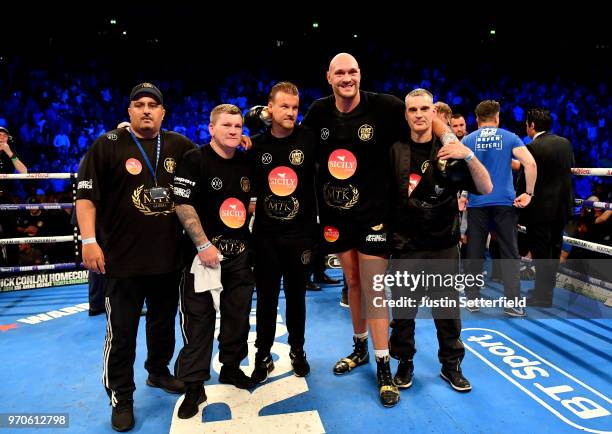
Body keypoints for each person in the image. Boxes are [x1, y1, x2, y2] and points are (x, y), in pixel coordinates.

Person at [301, 52, 458, 407]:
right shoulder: (319, 111)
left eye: (352, 71)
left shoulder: (385, 107)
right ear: (329, 77)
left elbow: (426, 117)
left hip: (374, 215)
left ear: (360, 74)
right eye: (340, 72)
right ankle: (359, 349)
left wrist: (448, 137)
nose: (347, 77)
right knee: (352, 282)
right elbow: (298, 145)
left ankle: (384, 365)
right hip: (336, 215)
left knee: (373, 288)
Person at [76, 83, 195, 432]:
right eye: (139, 104)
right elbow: (86, 198)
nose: (146, 110)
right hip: (122, 261)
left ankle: (158, 372)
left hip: (168, 258)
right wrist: (88, 240)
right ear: (129, 111)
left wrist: (241, 142)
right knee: (122, 333)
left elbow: (211, 160)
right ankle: (121, 396)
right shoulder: (107, 145)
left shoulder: (179, 145)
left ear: (163, 112)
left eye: (152, 105)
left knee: (163, 322)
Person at [389, 88, 492, 393]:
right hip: (406, 243)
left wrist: (468, 153)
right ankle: (404, 362)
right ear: (406, 114)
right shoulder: (394, 149)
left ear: (434, 114)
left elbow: (485, 187)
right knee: (403, 310)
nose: (419, 115)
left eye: (425, 109)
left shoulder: (449, 150)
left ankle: (451, 365)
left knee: (447, 310)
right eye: (413, 110)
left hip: (443, 243)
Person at [172, 104, 256, 420]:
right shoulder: (195, 160)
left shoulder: (246, 161)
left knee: (237, 317)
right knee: (198, 322)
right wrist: (203, 243)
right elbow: (181, 203)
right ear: (211, 128)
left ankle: (231, 367)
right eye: (226, 125)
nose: (233, 131)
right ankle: (193, 385)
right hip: (200, 257)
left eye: (237, 126)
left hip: (239, 255)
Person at [247, 82, 318, 383]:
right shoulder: (255, 144)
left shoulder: (309, 139)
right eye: (284, 106)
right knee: (265, 298)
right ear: (270, 109)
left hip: (300, 234)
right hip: (265, 235)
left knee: (297, 297)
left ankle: (297, 350)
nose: (290, 112)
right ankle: (263, 354)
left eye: (294, 107)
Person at [462, 100, 537, 317]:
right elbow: (530, 164)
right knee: (509, 253)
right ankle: (512, 303)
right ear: (497, 117)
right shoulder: (509, 136)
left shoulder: (468, 138)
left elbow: (462, 170)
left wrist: (464, 195)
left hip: (477, 202)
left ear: (477, 120)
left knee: (474, 252)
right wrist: (529, 193)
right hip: (504, 202)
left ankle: (472, 300)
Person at [520, 108, 574, 307]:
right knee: (554, 250)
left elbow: (526, 178)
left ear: (532, 125)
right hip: (561, 208)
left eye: (527, 124)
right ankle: (546, 292)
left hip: (540, 210)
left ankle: (543, 297)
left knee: (541, 253)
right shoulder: (565, 143)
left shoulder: (532, 147)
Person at [0, 126, 28, 266]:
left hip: (6, 198)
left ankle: (13, 268)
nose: (1, 137)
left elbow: (24, 171)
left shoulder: (10, 153)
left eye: (4, 135)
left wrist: (9, 152)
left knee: (11, 234)